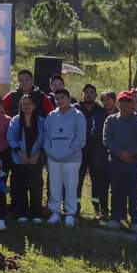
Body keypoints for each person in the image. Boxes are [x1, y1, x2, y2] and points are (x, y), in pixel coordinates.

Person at [104, 91, 137, 233]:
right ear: (118, 104)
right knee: (116, 190)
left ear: (133, 104)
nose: (125, 104)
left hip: (134, 162)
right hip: (116, 161)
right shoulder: (110, 120)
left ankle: (136, 222)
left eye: (128, 101)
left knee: (133, 192)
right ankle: (115, 219)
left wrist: (130, 153)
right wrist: (120, 153)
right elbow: (107, 139)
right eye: (122, 101)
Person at [43, 88, 86, 227]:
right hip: (53, 158)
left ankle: (70, 213)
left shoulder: (78, 115)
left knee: (71, 186)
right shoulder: (51, 116)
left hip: (71, 159)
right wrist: (52, 153)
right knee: (54, 185)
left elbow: (80, 139)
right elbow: (46, 138)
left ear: (69, 98)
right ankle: (55, 212)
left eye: (62, 97)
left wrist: (65, 152)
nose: (60, 100)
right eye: (57, 98)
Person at [8, 95, 45, 223]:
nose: (26, 106)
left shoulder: (41, 121)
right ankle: (21, 212)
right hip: (19, 159)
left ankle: (36, 213)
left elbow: (45, 139)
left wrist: (37, 155)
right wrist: (20, 154)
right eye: (23, 104)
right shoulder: (15, 120)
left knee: (36, 187)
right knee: (20, 186)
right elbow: (11, 138)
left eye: (29, 103)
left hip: (35, 159)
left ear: (34, 106)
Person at [89, 90, 119, 220]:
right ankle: (103, 210)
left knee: (117, 187)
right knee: (102, 186)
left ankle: (118, 212)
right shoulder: (98, 116)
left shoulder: (122, 114)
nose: (106, 103)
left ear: (115, 100)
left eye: (109, 99)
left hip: (119, 156)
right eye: (104, 100)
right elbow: (95, 135)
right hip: (101, 156)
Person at [75, 85, 104, 215]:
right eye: (86, 92)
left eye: (91, 92)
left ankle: (96, 206)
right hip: (79, 150)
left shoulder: (100, 110)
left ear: (95, 95)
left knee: (96, 180)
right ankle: (75, 205)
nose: (88, 95)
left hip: (96, 150)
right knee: (77, 179)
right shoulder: (75, 109)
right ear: (82, 94)